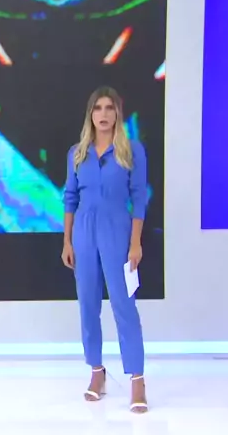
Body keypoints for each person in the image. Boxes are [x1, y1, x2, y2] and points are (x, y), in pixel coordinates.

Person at [61, 86, 149, 413]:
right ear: (90, 114)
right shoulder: (77, 153)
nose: (103, 114)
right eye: (97, 108)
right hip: (83, 232)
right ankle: (96, 373)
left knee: (124, 306)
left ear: (117, 114)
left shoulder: (132, 151)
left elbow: (139, 199)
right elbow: (70, 198)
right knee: (88, 305)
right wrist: (67, 240)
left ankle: (137, 380)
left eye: (109, 108)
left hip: (117, 231)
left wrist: (136, 242)